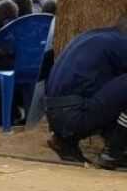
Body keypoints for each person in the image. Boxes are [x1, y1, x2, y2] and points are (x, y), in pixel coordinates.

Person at [45, 15, 127, 169]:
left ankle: (65, 142)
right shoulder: (122, 43)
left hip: (57, 114)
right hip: (75, 114)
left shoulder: (95, 36)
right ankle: (113, 153)